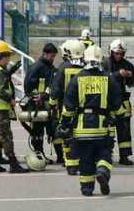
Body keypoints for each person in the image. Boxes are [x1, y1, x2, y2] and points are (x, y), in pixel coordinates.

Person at [59, 45, 122, 196]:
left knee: (86, 160)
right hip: (102, 127)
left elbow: (68, 106)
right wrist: (115, 116)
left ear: (84, 59)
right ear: (101, 60)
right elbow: (117, 102)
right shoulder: (108, 78)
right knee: (104, 154)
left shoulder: (76, 79)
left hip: (81, 130)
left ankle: (87, 189)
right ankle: (102, 171)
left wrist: (64, 124)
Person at [0, 41, 29, 173]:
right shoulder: (0, 72)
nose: (9, 59)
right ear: (2, 56)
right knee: (6, 136)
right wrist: (11, 100)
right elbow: (1, 91)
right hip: (0, 109)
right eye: (8, 56)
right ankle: (13, 164)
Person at [49, 40, 85, 174]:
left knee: (67, 135)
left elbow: (56, 89)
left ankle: (70, 163)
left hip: (66, 107)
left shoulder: (63, 67)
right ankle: (82, 160)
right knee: (81, 135)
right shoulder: (87, 67)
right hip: (84, 108)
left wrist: (52, 104)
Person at [103, 39, 134, 165]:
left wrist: (131, 76)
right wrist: (118, 74)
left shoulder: (127, 64)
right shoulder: (105, 63)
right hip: (108, 102)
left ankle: (124, 156)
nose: (119, 56)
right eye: (116, 53)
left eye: (121, 53)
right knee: (108, 132)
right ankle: (107, 157)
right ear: (111, 52)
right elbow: (103, 78)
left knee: (124, 130)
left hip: (123, 101)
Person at [23, 43, 57, 163]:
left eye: (54, 56)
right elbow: (28, 87)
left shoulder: (51, 69)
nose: (53, 59)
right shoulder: (36, 68)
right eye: (51, 56)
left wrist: (45, 95)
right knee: (37, 133)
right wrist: (36, 96)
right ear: (45, 54)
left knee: (53, 130)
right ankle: (39, 156)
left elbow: (53, 85)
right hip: (37, 106)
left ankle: (60, 157)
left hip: (48, 105)